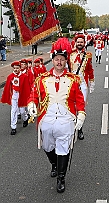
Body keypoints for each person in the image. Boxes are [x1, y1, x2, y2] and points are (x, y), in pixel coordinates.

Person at [27, 38, 86, 193]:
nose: (59, 62)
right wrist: (31, 104)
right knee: (47, 146)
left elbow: (80, 100)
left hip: (66, 119)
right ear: (52, 61)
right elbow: (34, 95)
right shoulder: (42, 79)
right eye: (56, 59)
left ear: (66, 61)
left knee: (63, 148)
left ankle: (61, 177)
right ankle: (54, 163)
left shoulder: (74, 79)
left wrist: (80, 115)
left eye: (62, 60)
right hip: (47, 118)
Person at [68, 33, 95, 140]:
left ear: (84, 43)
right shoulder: (69, 54)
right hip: (70, 83)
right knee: (70, 105)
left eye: (81, 42)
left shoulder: (88, 55)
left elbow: (89, 69)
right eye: (78, 42)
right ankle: (70, 127)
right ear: (75, 43)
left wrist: (92, 81)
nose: (80, 43)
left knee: (80, 106)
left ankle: (80, 129)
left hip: (82, 84)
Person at [0, 61, 31, 134]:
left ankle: (25, 119)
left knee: (22, 111)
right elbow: (7, 87)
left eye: (17, 68)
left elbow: (27, 88)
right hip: (14, 97)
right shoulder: (10, 77)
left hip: (21, 97)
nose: (16, 70)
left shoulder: (24, 77)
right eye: (14, 68)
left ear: (20, 68)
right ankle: (13, 127)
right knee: (13, 111)